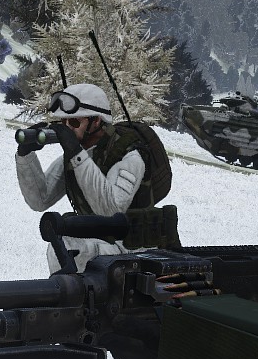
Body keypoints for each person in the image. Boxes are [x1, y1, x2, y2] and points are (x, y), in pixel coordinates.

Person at [15, 82, 171, 272]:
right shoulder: (78, 155)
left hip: (133, 250)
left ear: (96, 121)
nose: (67, 129)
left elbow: (111, 211)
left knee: (78, 250)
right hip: (100, 239)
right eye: (63, 123)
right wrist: (25, 155)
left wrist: (76, 153)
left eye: (74, 123)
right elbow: (40, 200)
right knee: (62, 245)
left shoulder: (130, 155)